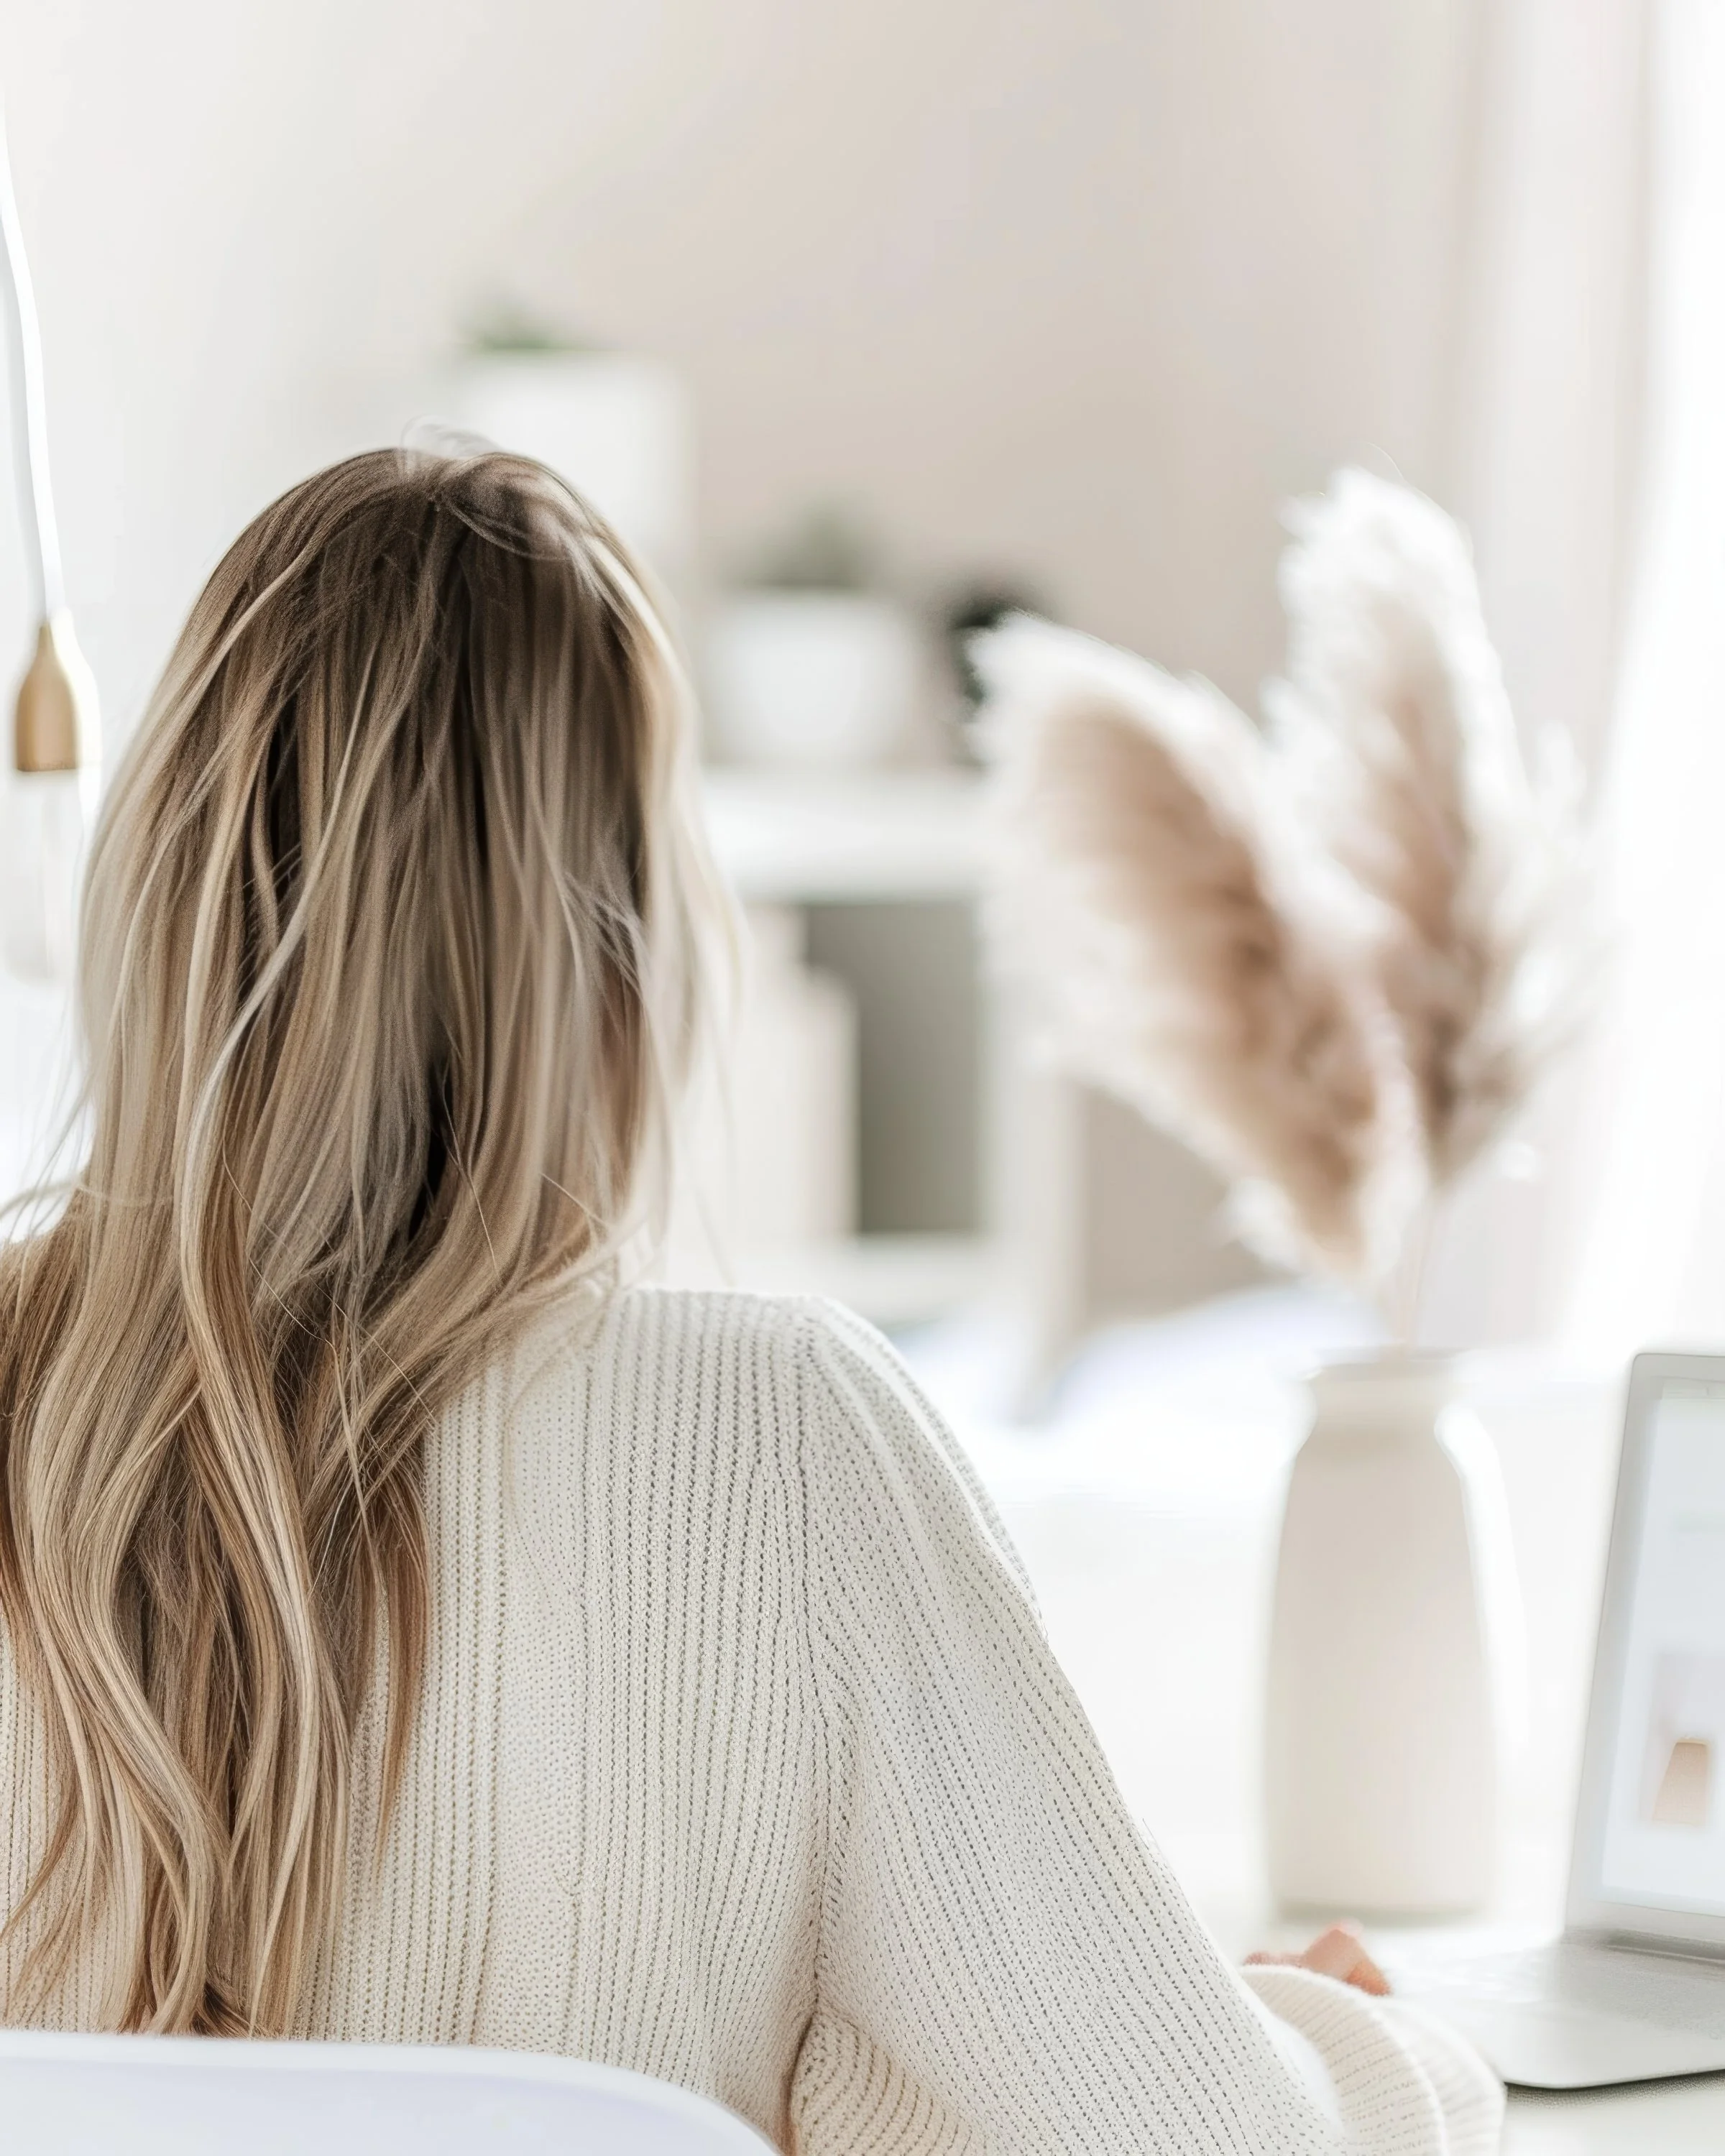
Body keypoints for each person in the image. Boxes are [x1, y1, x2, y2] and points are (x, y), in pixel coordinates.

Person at [0, 448, 1501, 2152]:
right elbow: (1206, 2144)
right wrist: (1361, 2047)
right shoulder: (776, 1435)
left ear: (168, 878)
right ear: (625, 947)